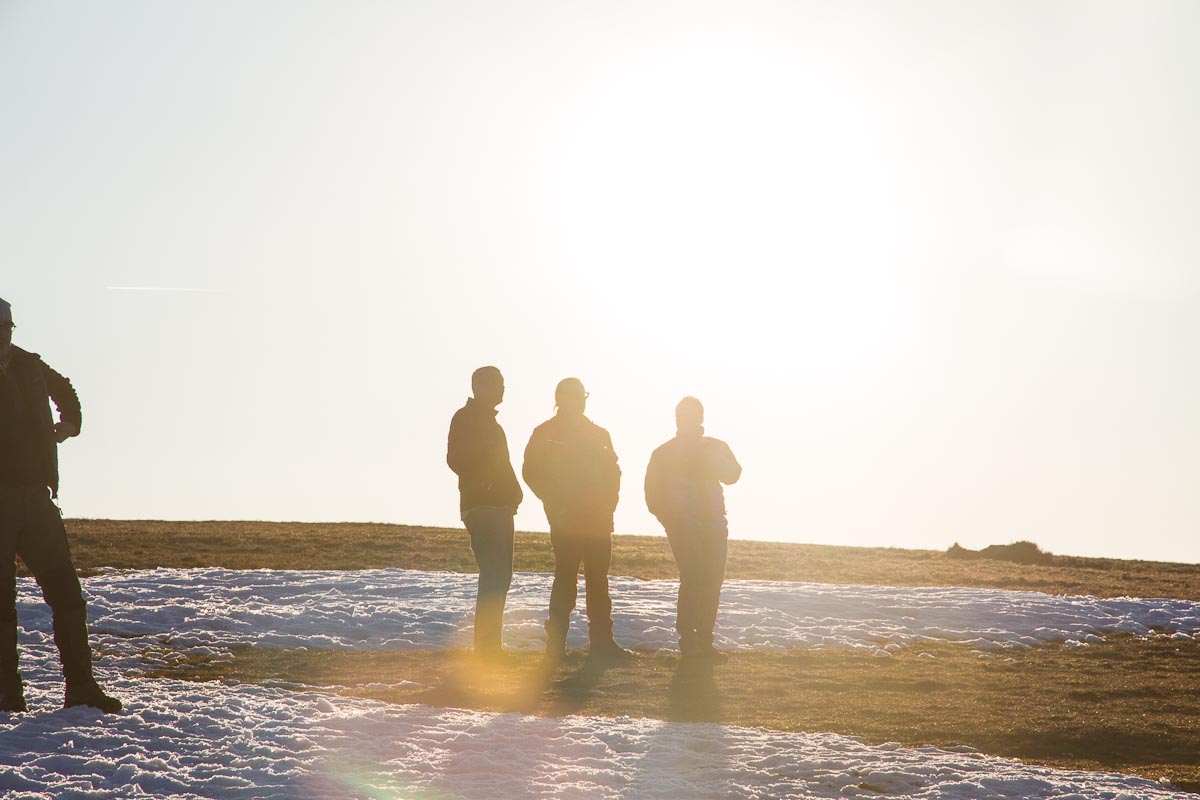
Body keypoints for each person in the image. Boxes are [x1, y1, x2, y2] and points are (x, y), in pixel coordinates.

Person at [0, 298, 122, 713]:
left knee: (67, 595)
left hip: (37, 498)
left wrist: (70, 424)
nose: (0, 337)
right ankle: (7, 694)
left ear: (11, 330)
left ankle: (81, 688)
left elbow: (65, 389)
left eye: (4, 330)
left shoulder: (30, 365)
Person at [523, 378, 631, 664]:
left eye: (583, 396)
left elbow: (614, 473)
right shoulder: (545, 433)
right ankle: (556, 646)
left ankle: (602, 644)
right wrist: (555, 505)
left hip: (597, 520)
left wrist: (609, 505)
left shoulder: (599, 434)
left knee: (598, 581)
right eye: (576, 396)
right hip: (566, 520)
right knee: (565, 579)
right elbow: (531, 471)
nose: (581, 401)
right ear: (561, 399)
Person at [644, 396, 741, 663]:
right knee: (693, 578)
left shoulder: (715, 446)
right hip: (683, 528)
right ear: (676, 419)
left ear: (700, 418)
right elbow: (652, 496)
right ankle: (689, 642)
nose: (685, 420)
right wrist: (672, 522)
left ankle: (705, 642)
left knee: (712, 581)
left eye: (690, 416)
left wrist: (711, 459)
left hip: (714, 527)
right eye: (681, 416)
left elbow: (734, 474)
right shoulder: (663, 453)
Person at [447, 366, 524, 664]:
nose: (503, 389)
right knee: (494, 575)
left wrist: (514, 494)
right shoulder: (465, 418)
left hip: (500, 506)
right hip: (482, 506)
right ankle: (487, 650)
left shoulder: (493, 424)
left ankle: (491, 647)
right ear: (480, 386)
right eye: (498, 383)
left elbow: (503, 464)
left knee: (501, 576)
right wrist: (485, 481)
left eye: (503, 383)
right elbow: (455, 459)